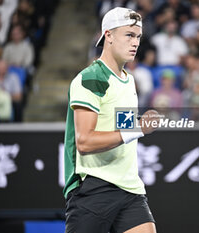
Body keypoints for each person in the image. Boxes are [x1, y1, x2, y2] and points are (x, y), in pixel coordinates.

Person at [63, 7, 159, 233]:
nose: (135, 42)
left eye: (137, 37)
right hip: (93, 187)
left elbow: (123, 132)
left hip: (130, 188)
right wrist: (137, 128)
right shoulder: (91, 78)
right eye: (128, 35)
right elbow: (84, 142)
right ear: (108, 36)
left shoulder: (128, 80)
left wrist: (135, 128)